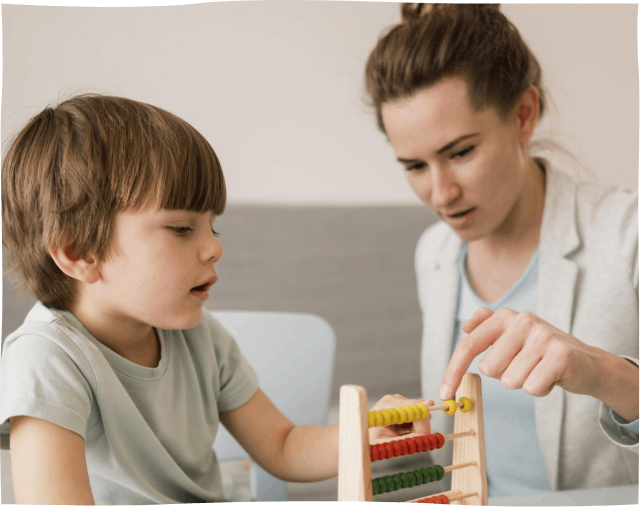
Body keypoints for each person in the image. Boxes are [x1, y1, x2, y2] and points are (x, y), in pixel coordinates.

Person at [0, 94, 430, 504]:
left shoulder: (201, 338)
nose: (214, 248)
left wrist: (362, 433)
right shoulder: (46, 358)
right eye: (183, 229)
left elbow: (281, 445)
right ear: (79, 253)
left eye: (214, 227)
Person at [364, 2, 639, 499]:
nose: (441, 194)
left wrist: (603, 373)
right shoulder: (435, 254)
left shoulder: (628, 234)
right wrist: (401, 442)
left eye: (461, 152)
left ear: (523, 115)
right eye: (414, 166)